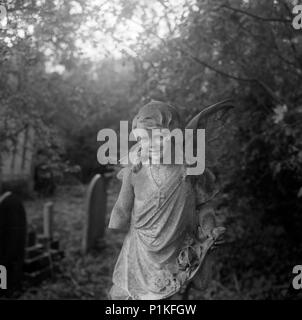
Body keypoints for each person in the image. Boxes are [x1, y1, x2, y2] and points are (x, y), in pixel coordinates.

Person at [108, 100, 225, 300]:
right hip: (140, 252)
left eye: (158, 137)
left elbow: (204, 206)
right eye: (143, 139)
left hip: (177, 251)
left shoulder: (190, 170)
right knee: (122, 296)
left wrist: (209, 230)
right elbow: (122, 208)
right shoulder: (135, 171)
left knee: (182, 291)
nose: (150, 145)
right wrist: (117, 220)